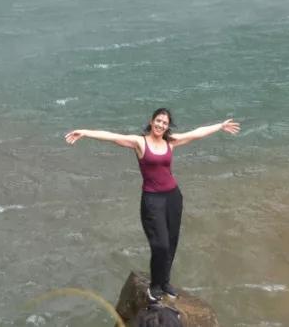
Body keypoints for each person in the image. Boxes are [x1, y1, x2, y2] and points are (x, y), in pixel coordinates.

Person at [65, 108, 241, 302]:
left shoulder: (170, 142)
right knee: (160, 245)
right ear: (152, 121)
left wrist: (220, 126)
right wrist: (84, 132)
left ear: (167, 126)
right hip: (152, 200)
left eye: (164, 123)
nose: (160, 125)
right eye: (158, 121)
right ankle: (154, 286)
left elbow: (196, 133)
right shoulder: (140, 142)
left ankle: (165, 283)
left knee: (171, 243)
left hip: (173, 197)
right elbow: (112, 137)